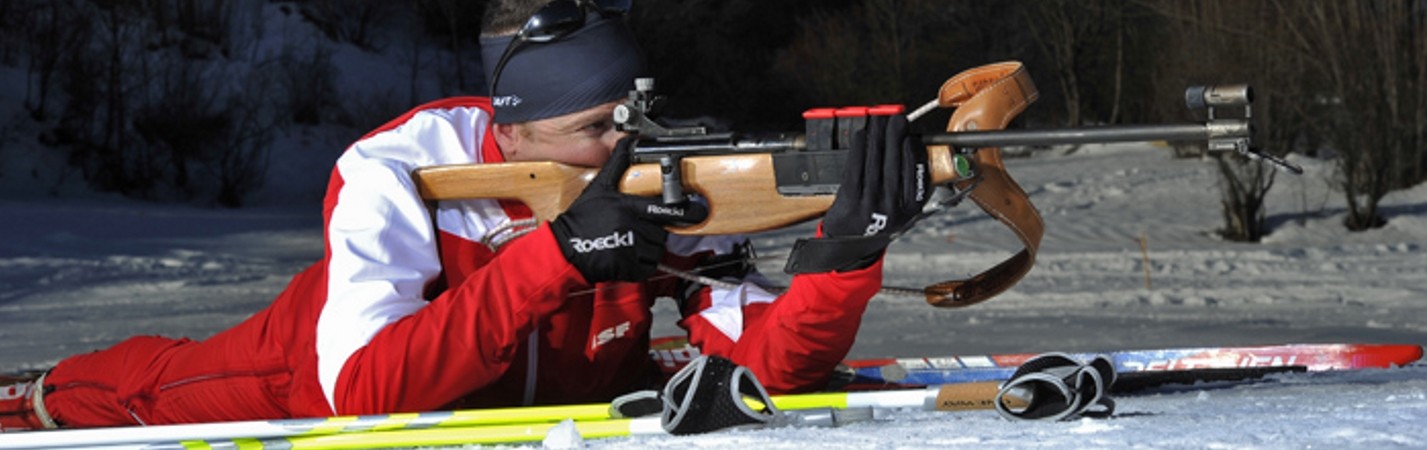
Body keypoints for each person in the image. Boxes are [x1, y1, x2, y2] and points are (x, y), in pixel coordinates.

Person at [0, 0, 928, 430]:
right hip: (298, 377)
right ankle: (36, 395)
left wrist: (842, 261)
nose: (621, 149)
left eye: (633, 119)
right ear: (511, 135)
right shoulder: (399, 166)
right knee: (142, 393)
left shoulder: (660, 173)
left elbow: (758, 368)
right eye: (590, 128)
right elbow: (363, 391)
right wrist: (560, 258)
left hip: (544, 404)